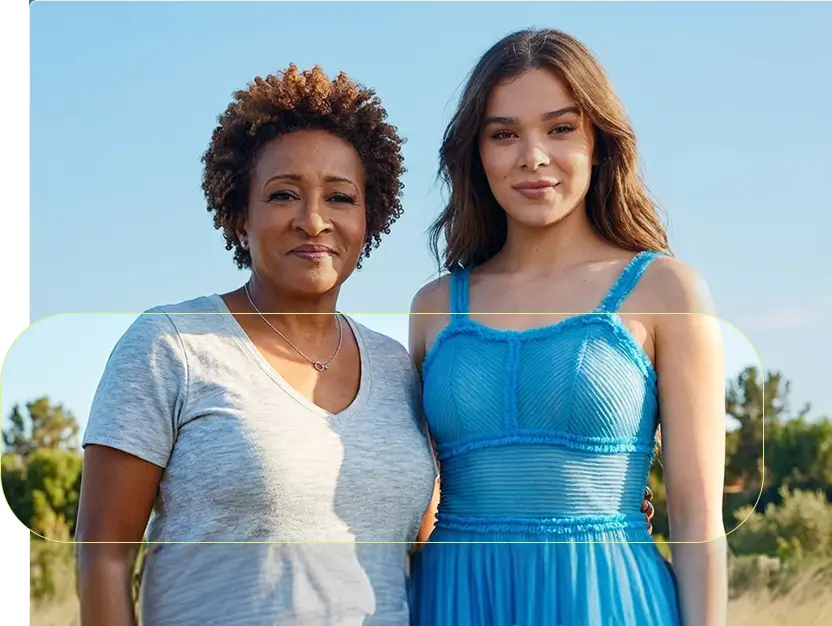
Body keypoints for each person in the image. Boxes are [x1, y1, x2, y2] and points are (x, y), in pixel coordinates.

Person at [74, 63, 657, 626]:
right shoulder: (170, 345)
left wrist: (588, 509)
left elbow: (430, 536)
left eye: (340, 197)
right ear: (238, 213)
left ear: (369, 218)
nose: (313, 220)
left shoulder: (395, 366)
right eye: (282, 195)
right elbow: (102, 557)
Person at [408, 28, 728, 626]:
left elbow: (696, 521)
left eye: (560, 128)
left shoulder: (667, 289)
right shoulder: (432, 308)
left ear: (599, 141)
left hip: (610, 600)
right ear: (476, 153)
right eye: (504, 134)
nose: (532, 156)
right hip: (453, 600)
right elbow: (415, 501)